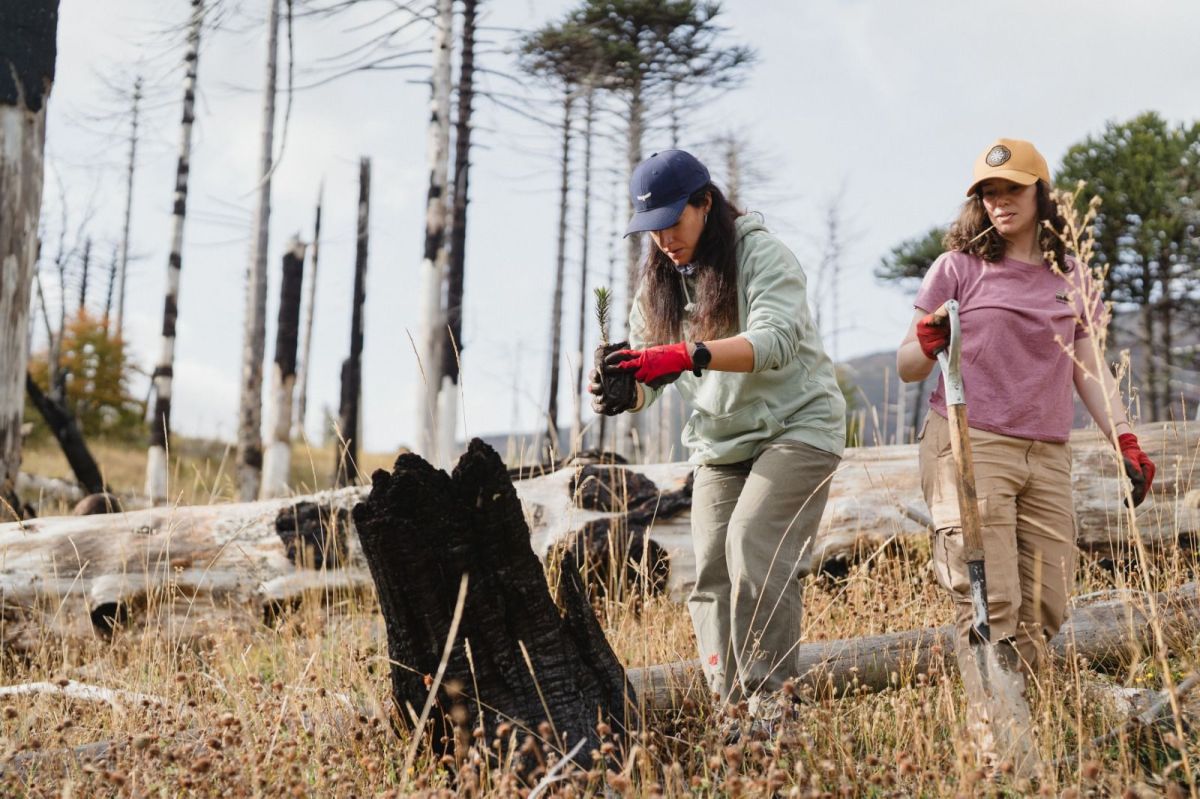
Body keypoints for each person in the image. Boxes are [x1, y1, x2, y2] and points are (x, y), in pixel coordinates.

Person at [589, 149, 846, 728]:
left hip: (797, 427)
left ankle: (772, 710)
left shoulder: (761, 255)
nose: (663, 240)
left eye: (672, 222)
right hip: (721, 443)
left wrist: (687, 354)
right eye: (650, 230)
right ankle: (730, 715)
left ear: (706, 203)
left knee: (754, 542)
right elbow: (648, 375)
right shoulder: (658, 281)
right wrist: (625, 389)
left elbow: (773, 342)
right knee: (709, 569)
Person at [897, 138, 1156, 680]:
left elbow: (1088, 368)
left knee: (1045, 606)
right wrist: (926, 339)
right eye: (988, 192)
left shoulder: (1072, 276)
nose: (999, 201)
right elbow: (907, 366)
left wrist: (1125, 439)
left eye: (1011, 188)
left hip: (1048, 452)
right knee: (991, 605)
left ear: (1041, 193)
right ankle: (997, 751)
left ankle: (1026, 734)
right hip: (971, 444)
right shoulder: (957, 269)